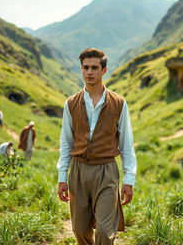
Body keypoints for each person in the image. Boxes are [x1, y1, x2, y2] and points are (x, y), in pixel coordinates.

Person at [57, 48, 137, 245]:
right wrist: (62, 178)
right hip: (78, 171)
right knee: (80, 230)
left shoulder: (119, 103)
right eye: (85, 68)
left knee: (104, 231)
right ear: (81, 70)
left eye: (94, 68)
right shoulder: (71, 103)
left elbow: (126, 143)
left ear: (104, 71)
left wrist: (129, 179)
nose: (89, 72)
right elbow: (66, 142)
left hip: (106, 171)